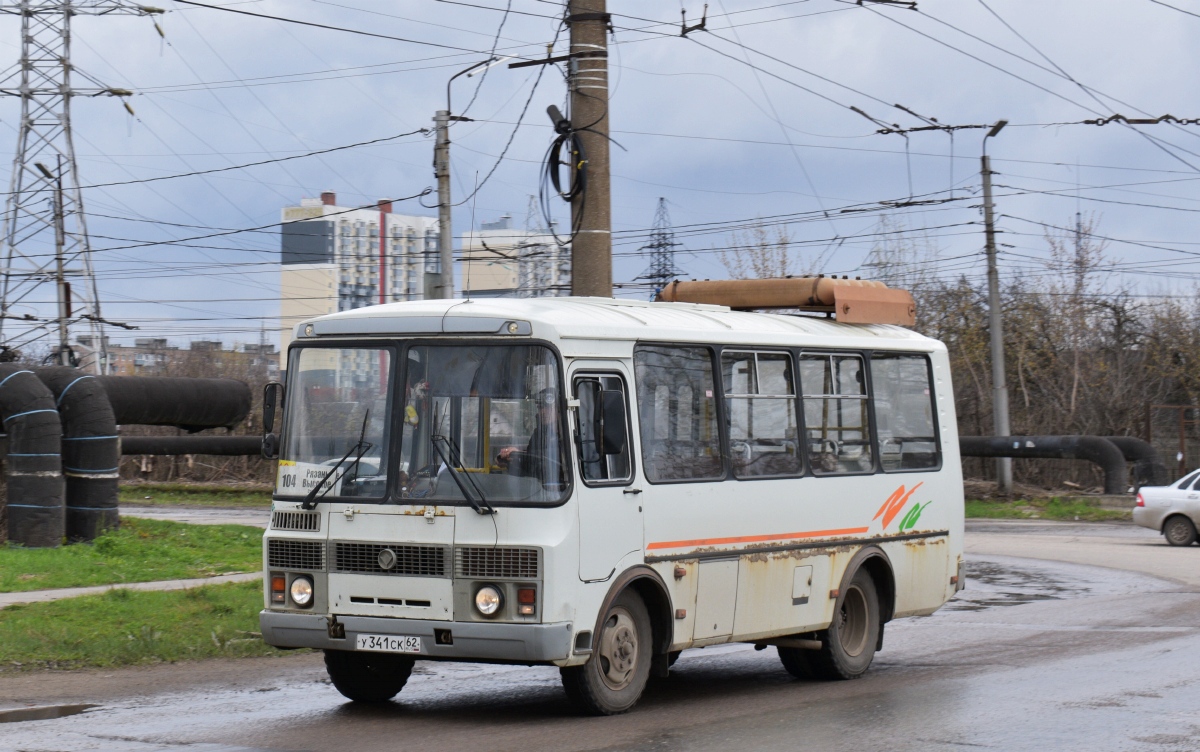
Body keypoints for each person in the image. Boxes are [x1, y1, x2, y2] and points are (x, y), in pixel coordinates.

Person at [497, 387, 564, 484]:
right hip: (541, 488)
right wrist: (509, 461)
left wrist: (520, 454)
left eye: (548, 407)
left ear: (559, 409)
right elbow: (532, 467)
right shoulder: (539, 435)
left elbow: (554, 461)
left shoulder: (570, 434)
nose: (543, 412)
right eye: (540, 407)